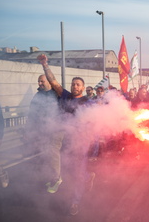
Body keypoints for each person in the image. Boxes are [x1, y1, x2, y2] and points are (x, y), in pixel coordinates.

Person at [37, 54, 95, 216]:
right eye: (73, 84)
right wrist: (45, 65)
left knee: (76, 173)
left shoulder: (87, 103)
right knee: (66, 169)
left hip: (78, 142)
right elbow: (53, 82)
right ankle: (83, 177)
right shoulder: (65, 95)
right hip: (63, 140)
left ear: (83, 88)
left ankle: (75, 202)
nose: (75, 86)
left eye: (78, 84)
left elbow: (93, 122)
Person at [24, 74, 63, 193]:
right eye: (38, 81)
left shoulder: (57, 94)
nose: (39, 83)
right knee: (45, 153)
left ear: (49, 82)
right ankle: (50, 176)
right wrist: (29, 130)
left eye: (42, 81)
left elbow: (65, 109)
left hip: (56, 129)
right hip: (42, 129)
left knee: (52, 152)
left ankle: (56, 178)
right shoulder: (37, 96)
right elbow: (32, 114)